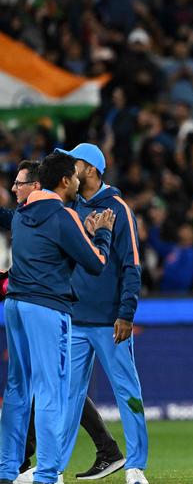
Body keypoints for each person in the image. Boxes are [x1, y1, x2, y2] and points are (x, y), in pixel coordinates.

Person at [1, 161, 126, 482]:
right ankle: (47, 474)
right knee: (51, 391)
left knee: (17, 389)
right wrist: (102, 234)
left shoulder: (22, 216)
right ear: (64, 180)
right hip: (46, 308)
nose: (77, 182)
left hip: (14, 305)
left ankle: (6, 468)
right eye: (74, 176)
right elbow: (97, 263)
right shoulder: (62, 216)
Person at [52, 144, 149, 484]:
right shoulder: (70, 207)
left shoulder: (119, 209)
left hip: (111, 322)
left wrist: (126, 313)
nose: (69, 168)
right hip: (75, 319)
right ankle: (54, 470)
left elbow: (132, 265)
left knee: (128, 393)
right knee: (68, 397)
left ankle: (136, 466)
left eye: (74, 162)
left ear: (90, 169)